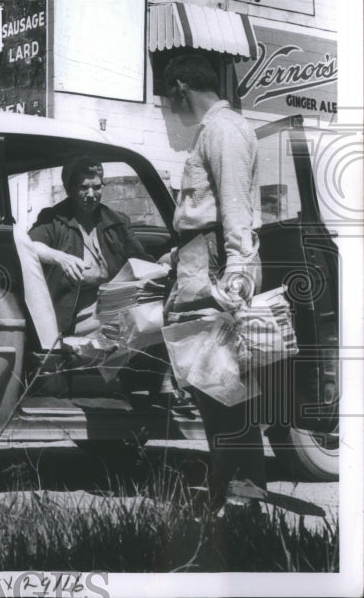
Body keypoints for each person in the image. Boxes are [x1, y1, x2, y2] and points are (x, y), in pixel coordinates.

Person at [162, 52, 266, 514]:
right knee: (211, 387)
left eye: (170, 98)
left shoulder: (223, 131)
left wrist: (238, 273)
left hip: (216, 269)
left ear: (182, 87)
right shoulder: (217, 131)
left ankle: (241, 497)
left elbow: (234, 209)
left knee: (223, 387)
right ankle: (231, 493)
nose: (171, 109)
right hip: (200, 261)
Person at [28, 156, 152, 336]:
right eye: (84, 187)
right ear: (69, 189)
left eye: (97, 186)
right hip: (73, 314)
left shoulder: (117, 221)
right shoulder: (53, 219)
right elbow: (32, 245)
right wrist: (61, 258)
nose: (92, 194)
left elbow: (141, 261)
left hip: (114, 304)